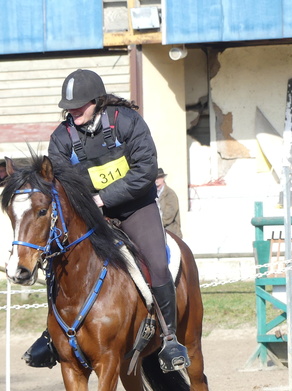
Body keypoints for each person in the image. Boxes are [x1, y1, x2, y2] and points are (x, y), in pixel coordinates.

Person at [23, 68, 190, 373]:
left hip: (135, 206)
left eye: (79, 106)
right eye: (68, 107)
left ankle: (169, 339)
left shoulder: (127, 122)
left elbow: (145, 170)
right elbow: (58, 184)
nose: (72, 111)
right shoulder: (62, 138)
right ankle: (52, 335)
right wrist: (89, 205)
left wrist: (104, 199)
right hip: (91, 212)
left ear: (97, 102)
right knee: (60, 263)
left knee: (156, 262)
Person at [155, 168, 182, 238]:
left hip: (171, 233)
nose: (156, 180)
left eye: (159, 177)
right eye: (155, 178)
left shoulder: (170, 194)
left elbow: (168, 216)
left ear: (163, 178)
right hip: (159, 231)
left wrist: (155, 226)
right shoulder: (153, 194)